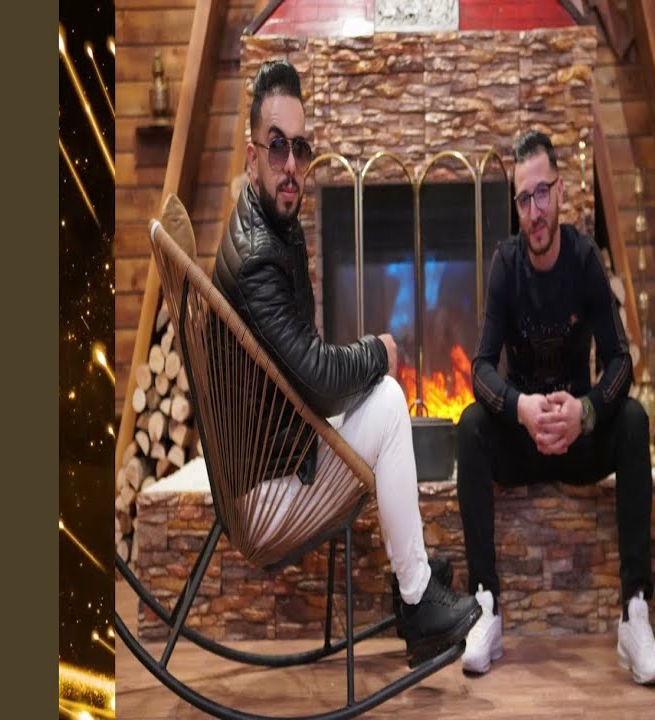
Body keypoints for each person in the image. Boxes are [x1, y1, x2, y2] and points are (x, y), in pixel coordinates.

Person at [212, 59, 480, 668]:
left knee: (376, 397)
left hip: (280, 454)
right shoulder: (258, 258)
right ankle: (416, 598)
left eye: (300, 149)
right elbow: (319, 380)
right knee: (387, 398)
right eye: (276, 146)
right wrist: (377, 351)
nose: (291, 165)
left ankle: (414, 577)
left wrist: (356, 365)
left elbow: (305, 371)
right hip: (267, 495)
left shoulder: (267, 226)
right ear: (251, 155)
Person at [455, 130, 655, 684]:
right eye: (524, 199)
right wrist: (521, 408)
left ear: (561, 191)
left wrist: (586, 413)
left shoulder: (584, 258)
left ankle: (634, 611)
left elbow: (620, 362)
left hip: (577, 440)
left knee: (634, 420)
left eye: (542, 193)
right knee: (470, 427)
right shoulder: (505, 265)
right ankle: (485, 606)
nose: (534, 211)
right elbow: (480, 369)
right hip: (524, 439)